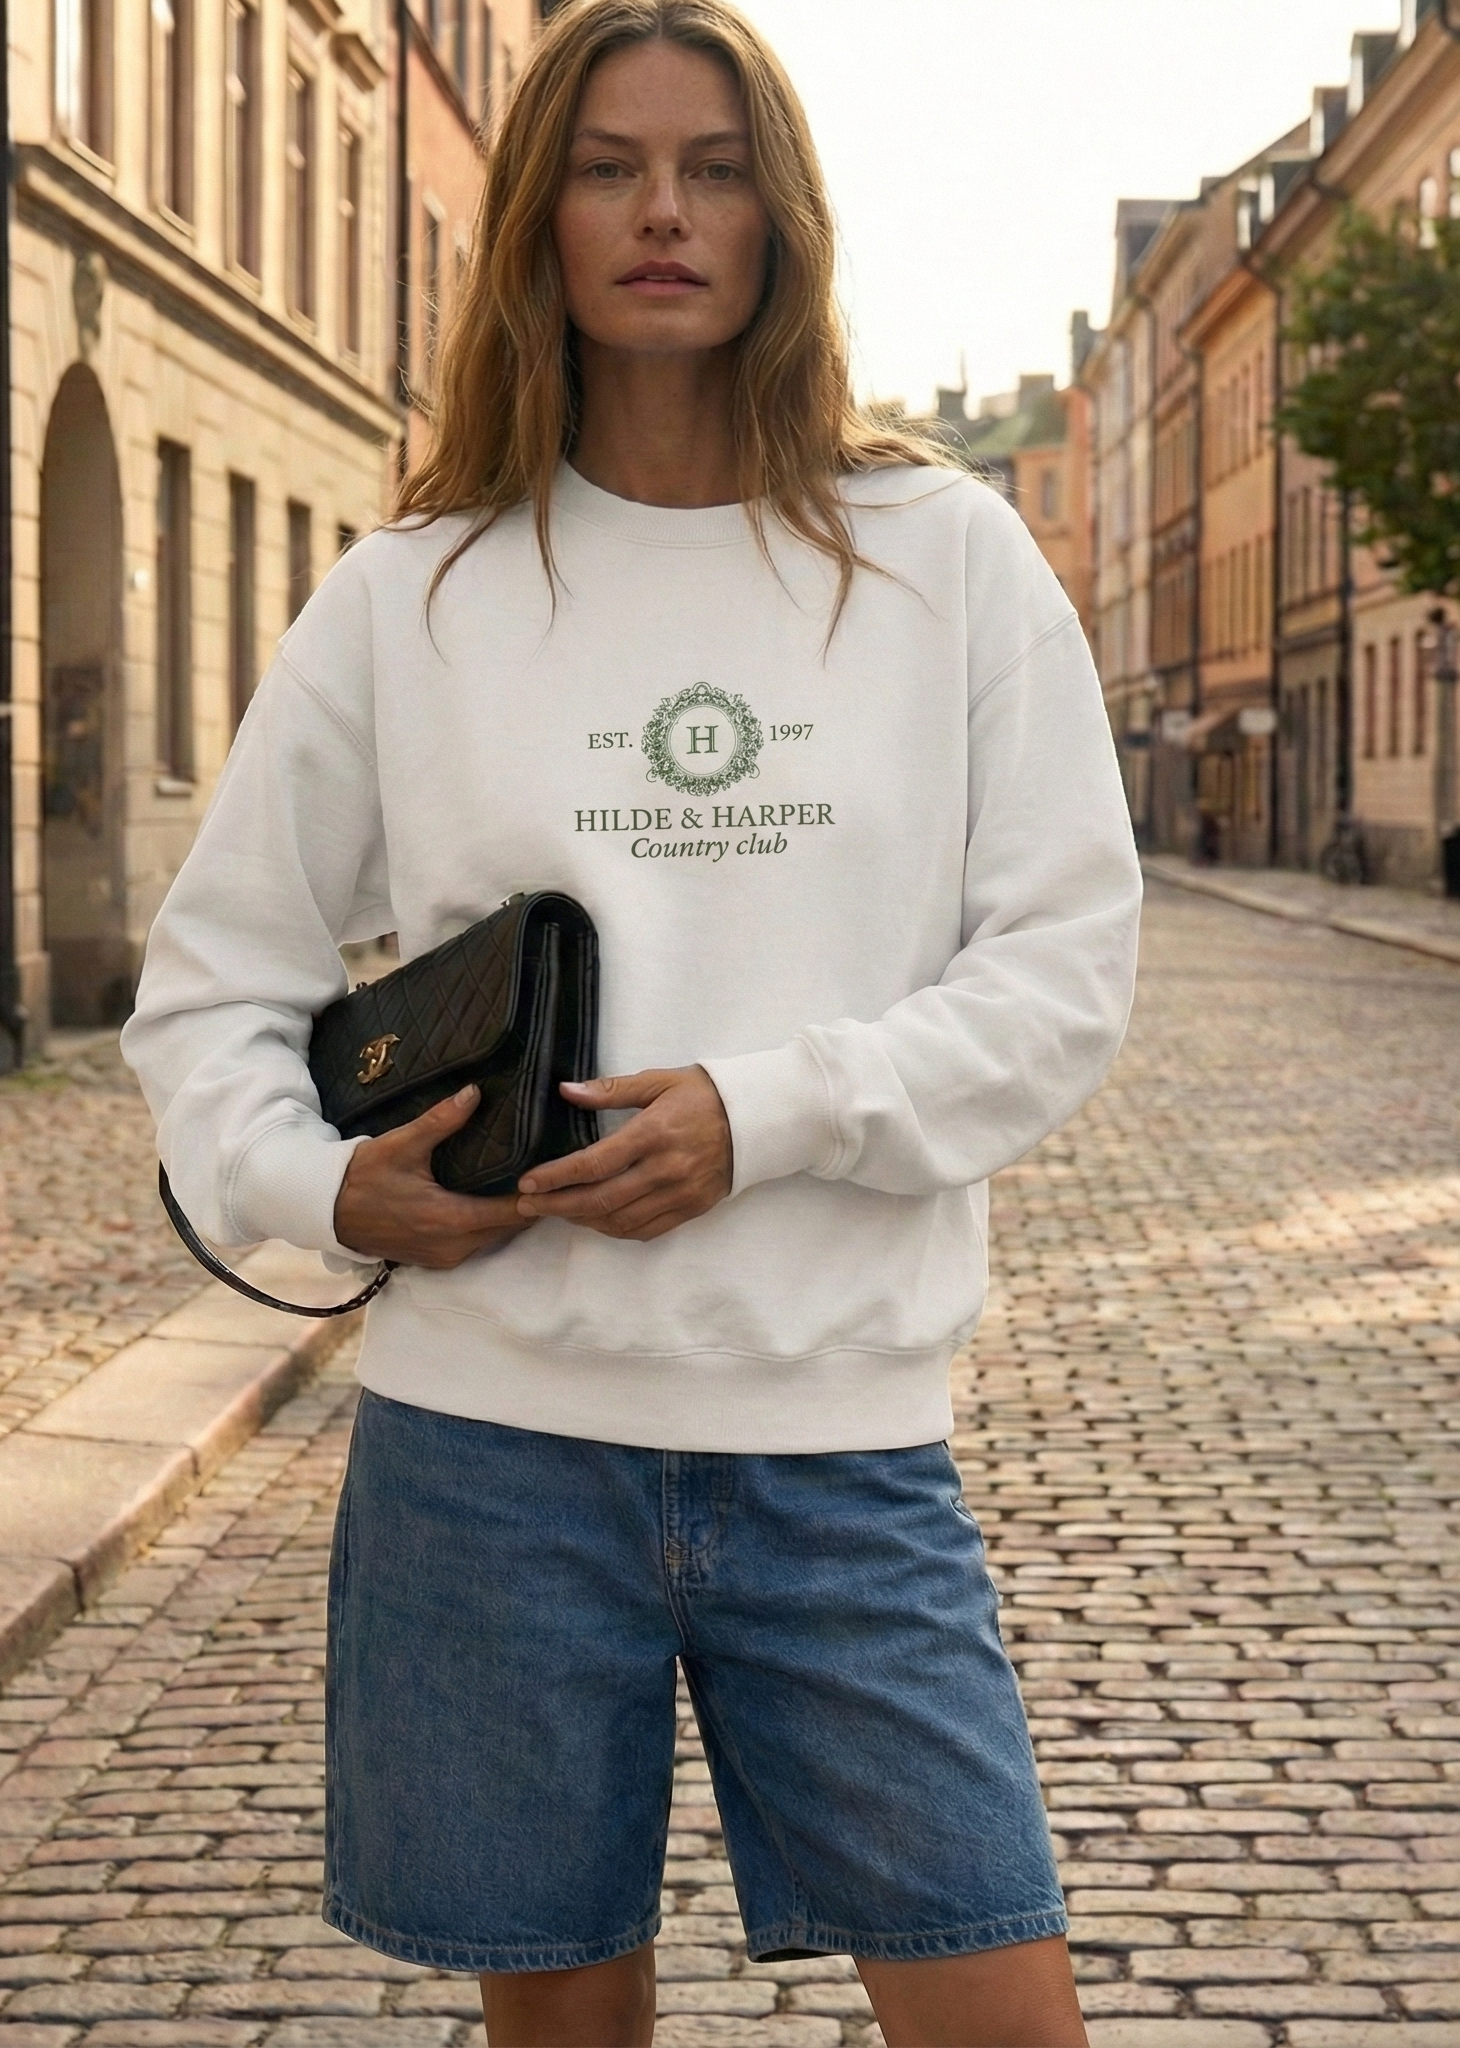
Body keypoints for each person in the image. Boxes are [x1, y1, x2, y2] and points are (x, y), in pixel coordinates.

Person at [122, 2, 1140, 2041]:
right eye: (605, 166)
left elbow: (1061, 974)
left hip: (835, 1445)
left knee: (1002, 2010)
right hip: (490, 1450)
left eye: (711, 163)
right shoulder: (412, 591)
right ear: (538, 222)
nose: (662, 211)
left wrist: (764, 1116)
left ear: (784, 213)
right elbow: (210, 990)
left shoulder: (942, 559)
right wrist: (335, 1192)